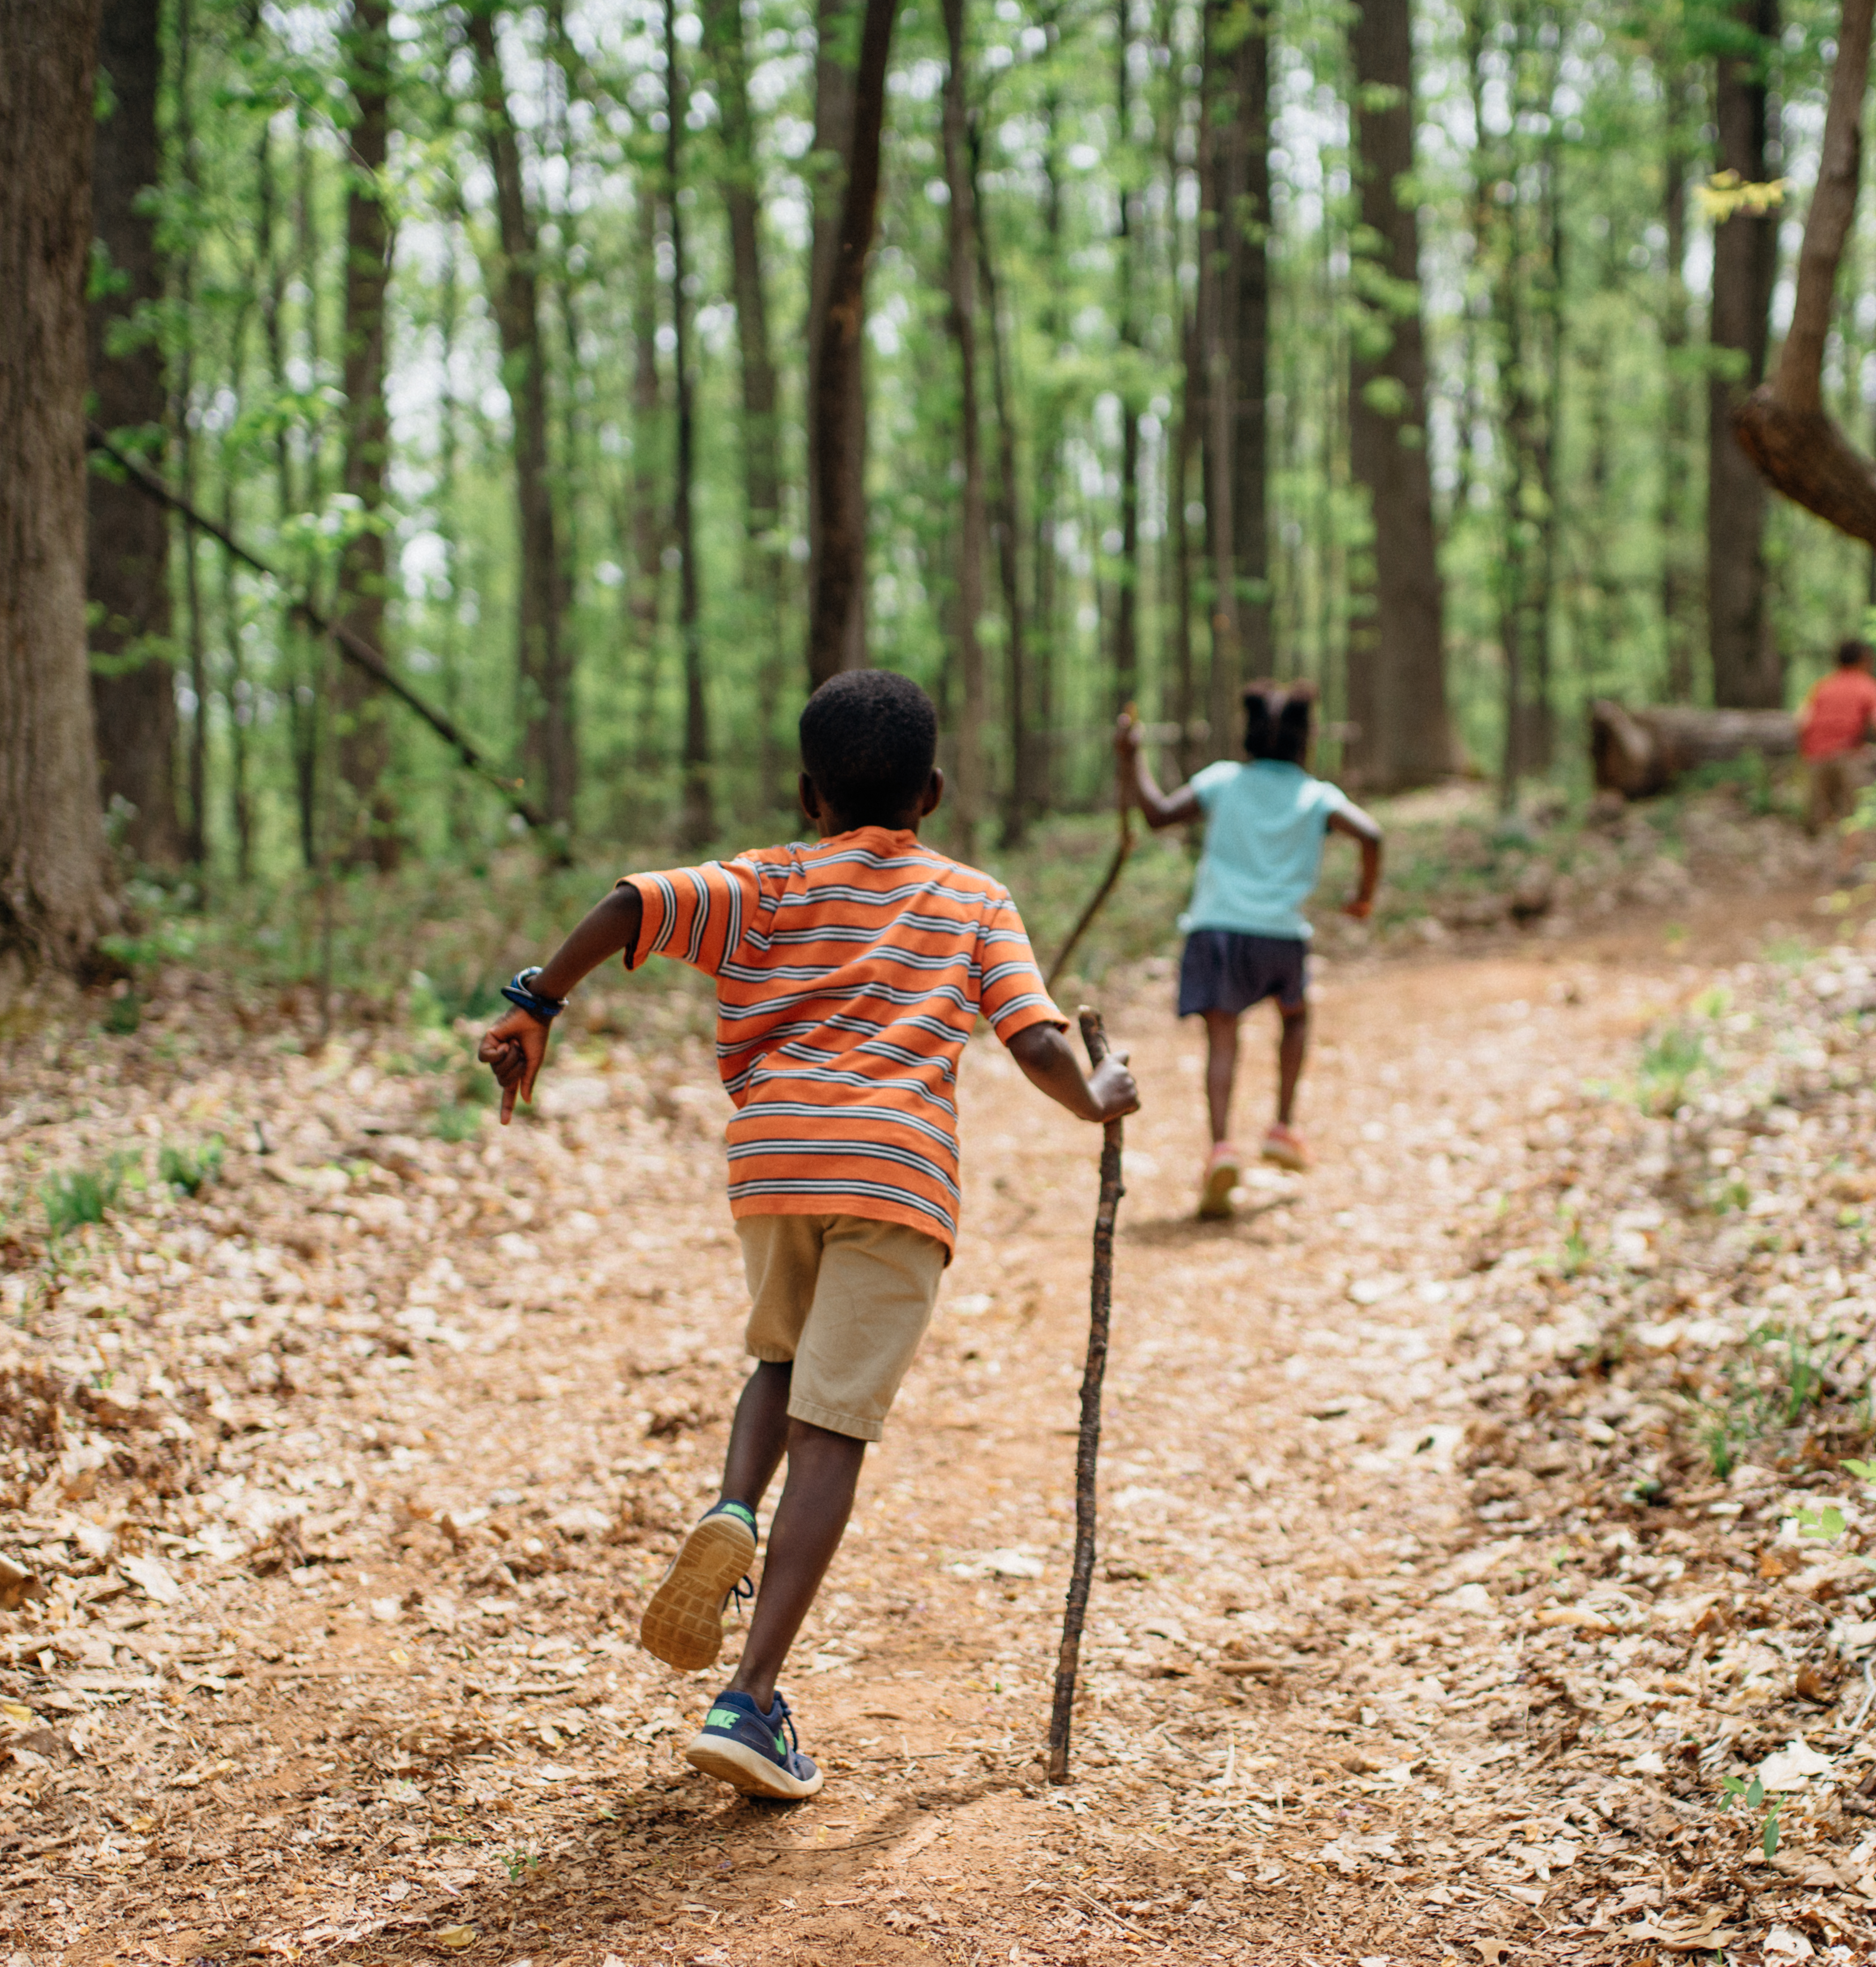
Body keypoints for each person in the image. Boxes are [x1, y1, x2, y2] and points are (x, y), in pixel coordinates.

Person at [476, 670, 1138, 1802]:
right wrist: (1098, 1094)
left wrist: (538, 1002)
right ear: (931, 791)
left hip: (774, 1160)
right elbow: (1033, 1042)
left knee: (781, 1358)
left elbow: (634, 900)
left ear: (806, 791)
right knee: (833, 1424)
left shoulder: (762, 882)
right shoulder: (972, 898)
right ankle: (751, 1695)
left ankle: (734, 1505)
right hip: (895, 1174)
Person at [1115, 680, 1383, 1220]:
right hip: (1281, 936)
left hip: (1216, 930)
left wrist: (1131, 758)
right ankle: (1282, 1125)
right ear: (1305, 741)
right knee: (1296, 1019)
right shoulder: (1316, 795)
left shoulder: (1223, 781)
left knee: (1222, 1038)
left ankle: (1220, 1148)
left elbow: (1158, 814)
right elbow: (1371, 835)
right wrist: (1362, 897)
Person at [1797, 637, 1876, 864]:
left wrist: (1806, 753)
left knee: (1821, 814)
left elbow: (1802, 722)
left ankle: (1817, 864)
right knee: (1856, 813)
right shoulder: (1868, 685)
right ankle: (1846, 868)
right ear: (1864, 660)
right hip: (1850, 757)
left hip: (1815, 758)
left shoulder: (1823, 687)